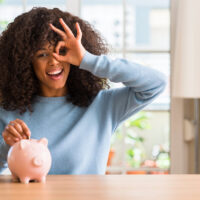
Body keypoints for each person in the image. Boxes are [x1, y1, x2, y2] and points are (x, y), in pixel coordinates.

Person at [0, 7, 166, 174]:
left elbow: (156, 83)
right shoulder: (8, 113)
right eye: (42, 54)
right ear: (25, 62)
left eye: (62, 51)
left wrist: (87, 60)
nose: (54, 61)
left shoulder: (103, 105)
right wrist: (7, 147)